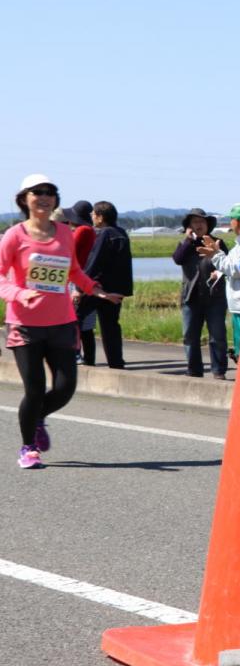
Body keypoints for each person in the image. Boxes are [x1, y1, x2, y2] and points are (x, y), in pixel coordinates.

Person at [0, 175, 122, 468]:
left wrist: (97, 290)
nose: (44, 197)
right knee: (35, 388)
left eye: (50, 192)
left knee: (66, 387)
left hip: (62, 322)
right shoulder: (14, 235)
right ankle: (28, 448)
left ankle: (37, 416)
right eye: (37, 192)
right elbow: (1, 276)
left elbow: (74, 271)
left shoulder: (65, 234)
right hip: (25, 324)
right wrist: (19, 292)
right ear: (24, 199)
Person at [76, 201, 133, 369]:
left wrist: (81, 287)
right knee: (110, 326)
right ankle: (116, 363)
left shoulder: (105, 234)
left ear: (100, 217)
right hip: (116, 290)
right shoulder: (121, 233)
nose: (92, 217)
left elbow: (94, 261)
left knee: (75, 317)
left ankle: (67, 354)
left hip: (99, 288)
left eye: (94, 214)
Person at [173, 209, 228, 379]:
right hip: (191, 297)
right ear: (189, 226)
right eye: (195, 222)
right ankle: (194, 370)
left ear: (207, 225)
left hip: (215, 297)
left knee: (217, 336)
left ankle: (219, 371)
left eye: (202, 222)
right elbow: (177, 259)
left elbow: (227, 264)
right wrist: (188, 240)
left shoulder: (218, 242)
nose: (199, 225)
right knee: (190, 336)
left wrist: (218, 273)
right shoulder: (185, 245)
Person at [199, 204, 240, 363]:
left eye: (231, 219)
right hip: (238, 305)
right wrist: (218, 271)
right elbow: (230, 265)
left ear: (236, 222)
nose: (230, 223)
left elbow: (238, 269)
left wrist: (216, 256)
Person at [62, 201, 97, 364]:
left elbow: (67, 250)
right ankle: (89, 358)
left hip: (78, 280)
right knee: (86, 324)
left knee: (75, 319)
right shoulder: (92, 231)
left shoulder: (82, 231)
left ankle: (76, 354)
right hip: (86, 279)